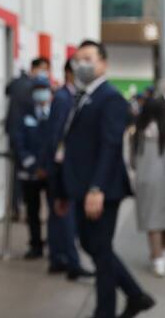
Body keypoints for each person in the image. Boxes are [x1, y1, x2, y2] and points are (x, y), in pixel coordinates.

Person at [54, 40, 155, 318]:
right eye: (78, 59)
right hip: (83, 187)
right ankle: (136, 296)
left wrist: (97, 188)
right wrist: (64, 191)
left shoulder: (110, 98)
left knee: (99, 249)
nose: (81, 64)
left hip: (102, 189)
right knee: (94, 246)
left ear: (103, 63)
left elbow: (110, 146)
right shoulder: (84, 96)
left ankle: (106, 310)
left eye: (88, 58)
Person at [42, 59, 92, 281]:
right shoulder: (64, 98)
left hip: (59, 164)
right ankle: (71, 261)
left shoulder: (66, 96)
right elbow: (58, 135)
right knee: (65, 213)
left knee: (57, 213)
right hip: (62, 166)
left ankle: (58, 258)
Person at [128, 97, 165, 277]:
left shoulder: (136, 133)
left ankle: (157, 258)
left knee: (152, 221)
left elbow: (132, 162)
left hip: (145, 182)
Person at [13, 75, 52, 260]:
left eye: (43, 88)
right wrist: (33, 166)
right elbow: (18, 141)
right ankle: (35, 245)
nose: (40, 92)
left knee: (55, 210)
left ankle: (55, 246)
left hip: (50, 172)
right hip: (29, 172)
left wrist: (46, 167)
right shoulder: (25, 113)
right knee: (32, 211)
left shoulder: (55, 112)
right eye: (37, 88)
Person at [6, 57, 51, 219]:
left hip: (48, 168)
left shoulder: (54, 112)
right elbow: (18, 133)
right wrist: (31, 163)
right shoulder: (23, 100)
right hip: (28, 164)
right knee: (31, 204)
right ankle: (16, 208)